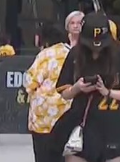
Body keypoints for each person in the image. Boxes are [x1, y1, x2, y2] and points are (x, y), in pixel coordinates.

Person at [56, 12, 120, 162]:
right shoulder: (75, 54)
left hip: (113, 126)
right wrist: (77, 88)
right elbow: (64, 93)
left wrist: (108, 92)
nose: (96, 50)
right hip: (82, 125)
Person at [24, 22, 72, 162]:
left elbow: (30, 82)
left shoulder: (45, 55)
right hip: (66, 114)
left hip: (44, 120)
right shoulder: (71, 52)